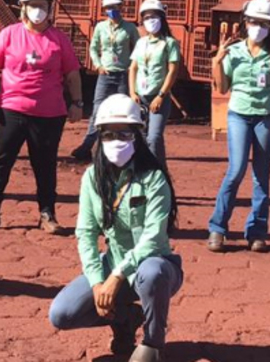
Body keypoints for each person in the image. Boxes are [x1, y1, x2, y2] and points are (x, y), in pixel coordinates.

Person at [49, 94, 183, 362]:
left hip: (154, 266)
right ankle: (126, 318)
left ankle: (153, 342)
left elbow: (154, 238)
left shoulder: (153, 178)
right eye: (108, 134)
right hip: (112, 263)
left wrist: (117, 276)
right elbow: (86, 233)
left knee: (152, 272)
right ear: (98, 136)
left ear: (138, 135)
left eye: (124, 134)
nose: (116, 141)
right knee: (62, 314)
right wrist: (98, 281)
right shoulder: (91, 177)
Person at [0, 0, 82, 235]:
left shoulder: (58, 39)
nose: (38, 10)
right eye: (32, 5)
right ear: (23, 7)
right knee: (0, 161)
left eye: (43, 5)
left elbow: (72, 73)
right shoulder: (9, 34)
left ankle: (47, 214)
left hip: (49, 114)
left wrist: (77, 103)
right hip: (10, 110)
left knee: (45, 164)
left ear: (50, 8)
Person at [206, 0, 270, 254]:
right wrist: (217, 61)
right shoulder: (234, 52)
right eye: (255, 21)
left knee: (261, 176)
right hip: (239, 116)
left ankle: (257, 232)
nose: (258, 27)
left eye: (265, 23)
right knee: (236, 169)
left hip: (267, 117)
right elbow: (222, 87)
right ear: (246, 22)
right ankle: (218, 228)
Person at [71, 0, 140, 162]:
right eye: (109, 7)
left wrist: (132, 68)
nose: (112, 10)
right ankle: (86, 146)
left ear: (121, 6)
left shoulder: (130, 28)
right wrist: (98, 65)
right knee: (97, 111)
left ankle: (126, 146)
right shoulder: (100, 28)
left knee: (124, 112)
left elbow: (138, 50)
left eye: (115, 6)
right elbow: (93, 48)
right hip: (105, 75)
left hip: (123, 75)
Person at [128, 0, 181, 163]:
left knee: (154, 137)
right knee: (142, 137)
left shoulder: (170, 43)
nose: (150, 20)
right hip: (140, 97)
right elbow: (133, 68)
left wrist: (161, 95)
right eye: (146, 17)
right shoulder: (141, 42)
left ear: (162, 18)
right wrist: (132, 92)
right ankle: (159, 169)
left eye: (154, 16)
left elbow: (173, 70)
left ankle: (154, 171)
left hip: (159, 98)